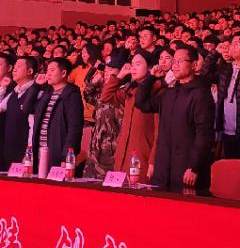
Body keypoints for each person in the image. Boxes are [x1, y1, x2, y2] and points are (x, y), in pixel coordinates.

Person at [136, 45, 215, 192]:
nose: (175, 65)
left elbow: (204, 134)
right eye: (174, 62)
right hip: (163, 168)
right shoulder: (169, 93)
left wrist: (194, 167)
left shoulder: (201, 94)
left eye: (180, 61)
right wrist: (151, 77)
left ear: (194, 65)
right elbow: (141, 103)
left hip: (186, 170)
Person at [102, 51, 160, 183]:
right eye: (132, 64)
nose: (133, 68)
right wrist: (120, 75)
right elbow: (106, 96)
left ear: (150, 68)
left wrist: (153, 161)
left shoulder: (157, 91)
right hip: (123, 154)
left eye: (138, 64)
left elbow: (159, 132)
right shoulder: (131, 90)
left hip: (142, 157)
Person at [204, 37, 240, 162]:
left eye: (237, 44)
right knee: (230, 167)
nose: (231, 46)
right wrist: (215, 52)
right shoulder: (226, 69)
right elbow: (206, 74)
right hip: (226, 130)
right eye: (232, 44)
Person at [32, 58, 84, 174]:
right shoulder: (47, 93)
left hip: (58, 153)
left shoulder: (72, 94)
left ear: (63, 73)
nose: (48, 74)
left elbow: (74, 127)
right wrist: (36, 86)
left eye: (52, 70)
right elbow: (27, 108)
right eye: (47, 71)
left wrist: (66, 156)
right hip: (40, 150)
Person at [82, 43, 121, 179]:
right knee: (89, 179)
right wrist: (93, 83)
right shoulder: (102, 91)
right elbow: (87, 96)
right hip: (96, 143)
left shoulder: (121, 93)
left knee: (107, 181)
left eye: (112, 69)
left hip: (111, 147)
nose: (108, 72)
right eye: (107, 69)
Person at [1, 56, 43, 169]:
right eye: (14, 66)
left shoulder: (38, 93)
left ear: (30, 71)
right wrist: (1, 88)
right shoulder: (14, 91)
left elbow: (33, 125)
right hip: (9, 146)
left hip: (25, 150)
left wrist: (29, 150)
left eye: (19, 67)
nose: (14, 69)